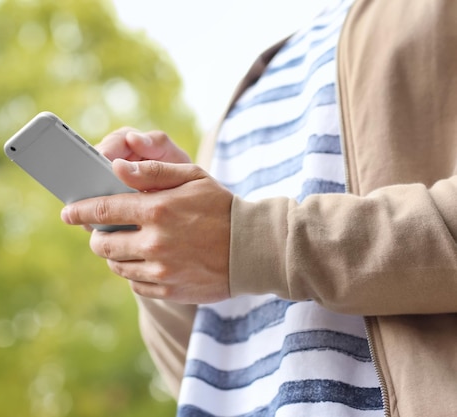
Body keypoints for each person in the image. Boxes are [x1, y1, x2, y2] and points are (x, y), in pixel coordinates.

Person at [60, 0, 457, 415]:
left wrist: (253, 239)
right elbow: (197, 369)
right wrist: (163, 254)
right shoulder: (251, 88)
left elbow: (258, 242)